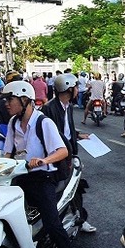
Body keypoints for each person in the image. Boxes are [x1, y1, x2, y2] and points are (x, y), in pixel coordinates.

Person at [1, 80, 89, 248]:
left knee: (52, 223)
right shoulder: (14, 124)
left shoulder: (43, 122)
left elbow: (62, 151)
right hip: (20, 176)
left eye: (10, 99)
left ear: (24, 100)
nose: (6, 104)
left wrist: (43, 161)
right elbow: (7, 153)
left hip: (42, 178)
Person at [42, 73, 97, 233]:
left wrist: (78, 135)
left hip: (69, 155)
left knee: (75, 188)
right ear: (68, 88)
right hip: (57, 157)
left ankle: (80, 219)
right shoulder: (49, 108)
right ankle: (56, 224)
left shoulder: (68, 107)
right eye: (76, 87)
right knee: (60, 191)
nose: (78, 90)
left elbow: (67, 129)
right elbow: (52, 135)